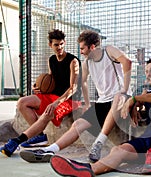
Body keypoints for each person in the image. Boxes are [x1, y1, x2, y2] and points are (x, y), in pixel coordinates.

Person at [49, 58, 151, 177]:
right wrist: (133, 106)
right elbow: (143, 102)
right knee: (118, 151)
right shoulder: (145, 95)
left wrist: (134, 99)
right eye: (147, 71)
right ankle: (88, 169)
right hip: (146, 143)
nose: (149, 74)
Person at [19, 30, 132, 163]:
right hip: (103, 102)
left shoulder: (109, 50)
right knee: (78, 124)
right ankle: (50, 150)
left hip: (121, 98)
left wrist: (124, 90)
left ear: (92, 47)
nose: (81, 52)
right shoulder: (87, 63)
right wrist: (88, 103)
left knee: (117, 97)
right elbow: (83, 82)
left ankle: (98, 144)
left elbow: (127, 62)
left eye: (82, 48)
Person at [0, 29, 82, 157]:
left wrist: (56, 103)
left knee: (47, 113)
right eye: (56, 45)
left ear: (64, 43)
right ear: (50, 45)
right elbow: (51, 80)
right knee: (22, 102)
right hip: (52, 96)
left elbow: (73, 88)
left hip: (70, 99)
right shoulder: (51, 60)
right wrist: (39, 87)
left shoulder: (73, 61)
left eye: (61, 44)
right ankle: (40, 136)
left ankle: (18, 141)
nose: (59, 47)